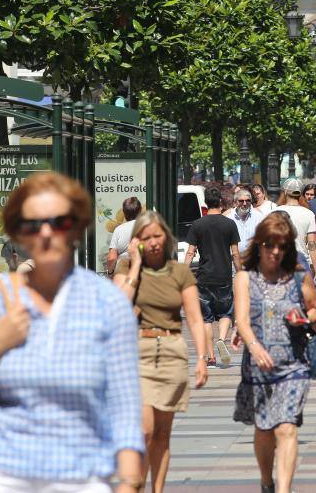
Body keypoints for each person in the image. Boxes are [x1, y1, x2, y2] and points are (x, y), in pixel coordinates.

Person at [0, 172, 144, 492]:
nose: (47, 233)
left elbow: (124, 403)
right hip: (2, 472)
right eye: (33, 224)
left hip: (83, 473)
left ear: (77, 228)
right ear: (17, 233)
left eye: (60, 222)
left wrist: (130, 481)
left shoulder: (107, 302)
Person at [114, 210, 208, 493]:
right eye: (146, 237)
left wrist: (201, 358)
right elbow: (119, 305)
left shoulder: (179, 272)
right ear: (137, 241)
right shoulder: (125, 268)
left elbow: (194, 318)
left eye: (158, 236)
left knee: (162, 434)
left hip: (171, 351)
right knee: (144, 431)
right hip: (138, 352)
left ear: (166, 237)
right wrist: (135, 266)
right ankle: (136, 486)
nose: (154, 242)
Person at [231, 213, 316, 493]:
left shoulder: (298, 276)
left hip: (294, 363)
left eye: (281, 246)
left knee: (286, 427)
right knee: (265, 429)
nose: (275, 252)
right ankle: (267, 482)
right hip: (259, 364)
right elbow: (241, 321)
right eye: (269, 245)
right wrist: (255, 346)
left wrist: (304, 318)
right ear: (259, 244)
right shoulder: (245, 278)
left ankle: (283, 489)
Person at [184, 187, 241, 367]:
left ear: (205, 203)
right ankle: (221, 339)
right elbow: (235, 253)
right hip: (224, 276)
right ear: (221, 202)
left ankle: (210, 357)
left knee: (206, 318)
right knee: (225, 313)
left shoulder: (197, 225)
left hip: (204, 277)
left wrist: (183, 272)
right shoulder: (230, 224)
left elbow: (190, 252)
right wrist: (240, 271)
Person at [276, 178, 316, 282]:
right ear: (300, 193)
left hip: (281, 262)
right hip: (302, 263)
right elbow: (312, 244)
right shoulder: (309, 214)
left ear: (285, 192)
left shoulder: (275, 212)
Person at [107, 196, 142, 274]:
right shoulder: (146, 226)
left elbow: (112, 257)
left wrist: (110, 272)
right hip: (143, 271)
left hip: (123, 272)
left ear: (124, 212)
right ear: (140, 210)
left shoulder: (119, 230)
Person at [229, 189, 264, 256]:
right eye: (241, 201)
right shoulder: (229, 218)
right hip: (234, 259)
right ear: (235, 202)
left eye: (248, 201)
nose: (245, 204)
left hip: (254, 258)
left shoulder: (259, 217)